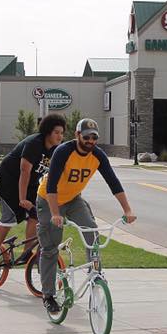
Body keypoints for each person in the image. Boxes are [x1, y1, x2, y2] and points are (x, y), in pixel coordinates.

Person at [36, 118, 137, 314]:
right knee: (50, 246)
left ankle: (95, 274)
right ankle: (48, 295)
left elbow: (113, 183)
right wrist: (56, 213)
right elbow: (51, 185)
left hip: (73, 199)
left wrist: (127, 210)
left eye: (94, 138)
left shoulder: (98, 155)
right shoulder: (63, 151)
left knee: (91, 229)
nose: (90, 141)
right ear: (77, 135)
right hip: (49, 200)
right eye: (87, 137)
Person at [0, 113, 66, 272]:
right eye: (56, 132)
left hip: (31, 182)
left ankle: (27, 253)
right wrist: (22, 199)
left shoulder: (56, 150)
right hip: (9, 177)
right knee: (11, 216)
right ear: (48, 132)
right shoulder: (34, 143)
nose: (60, 136)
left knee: (36, 214)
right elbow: (24, 171)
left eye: (62, 133)